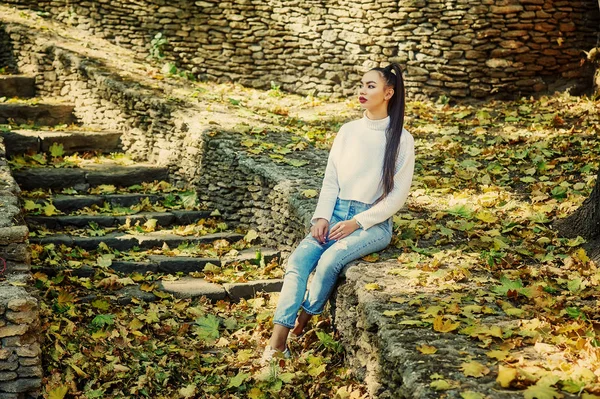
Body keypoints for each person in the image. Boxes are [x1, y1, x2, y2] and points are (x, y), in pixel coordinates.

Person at [261, 63, 415, 363]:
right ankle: (277, 344)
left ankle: (302, 323)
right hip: (335, 213)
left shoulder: (402, 139)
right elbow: (331, 180)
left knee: (331, 260)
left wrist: (356, 222)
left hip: (373, 224)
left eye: (370, 85)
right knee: (299, 261)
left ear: (389, 92)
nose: (362, 90)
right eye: (361, 84)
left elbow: (397, 197)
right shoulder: (348, 132)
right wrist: (321, 217)